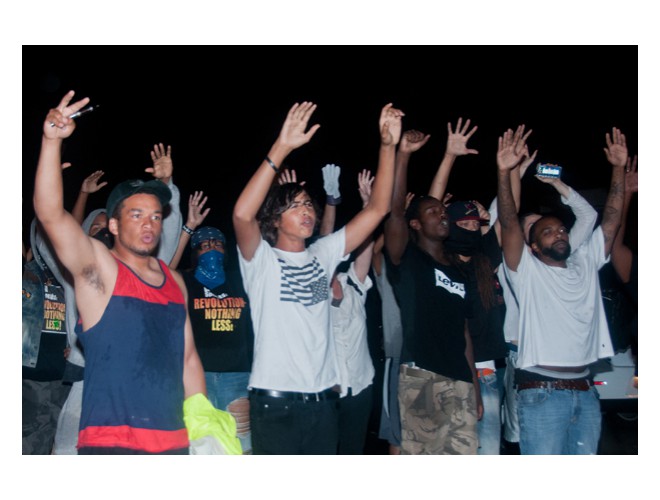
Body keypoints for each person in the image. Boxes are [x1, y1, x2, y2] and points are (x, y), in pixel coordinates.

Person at [33, 90, 205, 454]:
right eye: (136, 215)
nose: (149, 224)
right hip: (112, 445)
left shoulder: (174, 281)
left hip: (175, 442)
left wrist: (204, 424)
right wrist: (51, 142)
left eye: (156, 216)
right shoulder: (99, 267)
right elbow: (50, 214)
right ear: (112, 225)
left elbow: (188, 357)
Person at [233, 101, 402, 454]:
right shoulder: (261, 260)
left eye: (309, 203)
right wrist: (283, 147)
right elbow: (242, 214)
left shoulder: (323, 255)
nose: (307, 210)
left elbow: (378, 209)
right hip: (275, 404)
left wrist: (387, 147)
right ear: (275, 220)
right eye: (295, 205)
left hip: (324, 402)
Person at [496, 124, 626, 454]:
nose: (559, 233)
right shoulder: (526, 272)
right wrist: (504, 171)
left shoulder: (586, 261)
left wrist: (618, 168)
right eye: (547, 232)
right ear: (534, 247)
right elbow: (509, 223)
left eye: (560, 229)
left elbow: (608, 219)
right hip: (542, 393)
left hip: (585, 390)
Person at [384, 129, 482, 455]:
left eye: (443, 211)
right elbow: (395, 211)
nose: (442, 214)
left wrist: (475, 387)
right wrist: (404, 155)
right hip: (422, 378)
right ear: (415, 224)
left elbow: (465, 332)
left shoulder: (458, 270)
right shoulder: (409, 259)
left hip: (461, 382)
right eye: (432, 211)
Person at [181, 225, 255, 454]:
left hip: (238, 377)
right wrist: (187, 228)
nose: (212, 248)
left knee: (240, 446)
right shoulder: (184, 281)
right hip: (197, 378)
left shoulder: (242, 280)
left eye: (218, 244)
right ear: (195, 251)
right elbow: (161, 272)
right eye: (205, 245)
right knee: (202, 447)